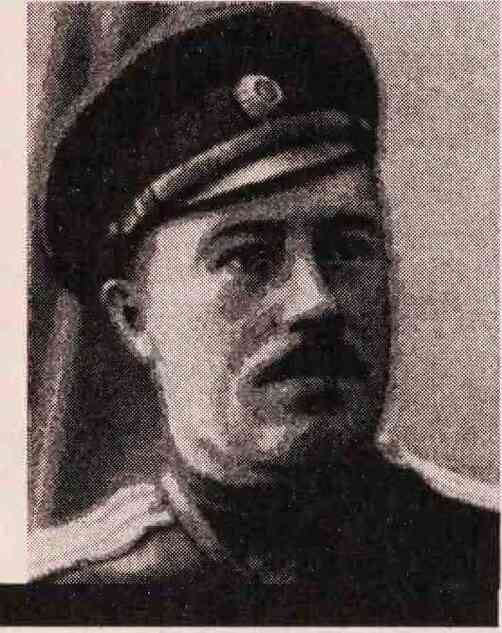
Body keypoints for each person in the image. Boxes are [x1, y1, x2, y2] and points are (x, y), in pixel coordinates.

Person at [29, 3, 498, 625]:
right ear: (135, 319)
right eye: (247, 259)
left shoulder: (486, 560)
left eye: (347, 249)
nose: (316, 301)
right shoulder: (60, 600)